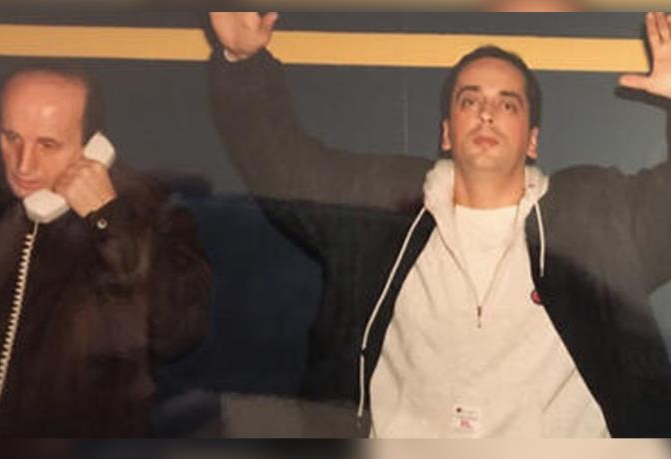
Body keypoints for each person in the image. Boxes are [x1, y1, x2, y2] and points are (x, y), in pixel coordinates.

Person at [209, 12, 671, 437]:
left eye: (508, 105)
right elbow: (286, 166)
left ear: (532, 141)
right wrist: (243, 62)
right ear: (447, 132)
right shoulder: (382, 209)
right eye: (470, 100)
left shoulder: (594, 216)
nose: (486, 113)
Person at [0, 65, 212, 437]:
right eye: (11, 137)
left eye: (48, 144)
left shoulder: (154, 214)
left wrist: (110, 223)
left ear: (93, 147)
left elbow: (179, 329)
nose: (23, 164)